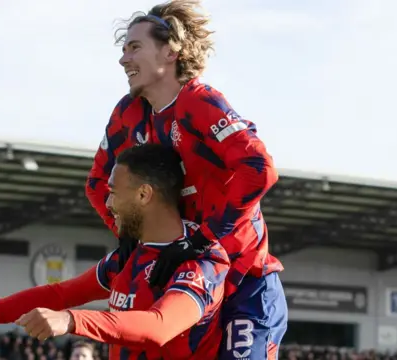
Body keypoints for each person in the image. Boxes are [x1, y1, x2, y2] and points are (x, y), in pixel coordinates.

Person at [85, 0, 287, 358]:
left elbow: (259, 168)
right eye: (123, 49)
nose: (123, 59)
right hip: (183, 279)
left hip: (243, 280)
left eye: (134, 47)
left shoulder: (200, 102)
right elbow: (98, 182)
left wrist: (204, 238)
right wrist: (130, 235)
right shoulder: (127, 114)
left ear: (169, 52)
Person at [0, 144, 230, 359]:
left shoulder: (202, 260)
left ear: (144, 194)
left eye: (113, 192)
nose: (108, 204)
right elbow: (57, 294)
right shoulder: (125, 259)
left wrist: (71, 320)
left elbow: (159, 326)